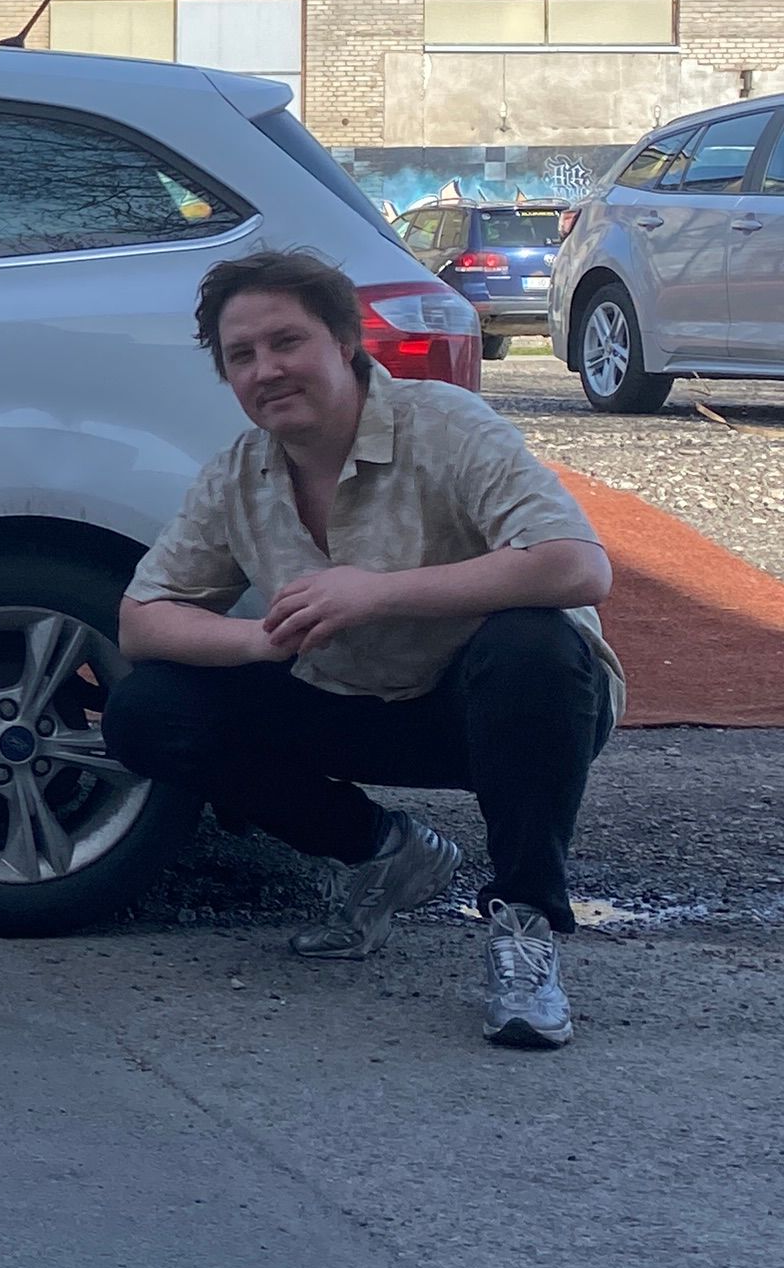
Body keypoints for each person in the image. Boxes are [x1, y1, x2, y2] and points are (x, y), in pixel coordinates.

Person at [103, 247, 619, 1050]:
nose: (266, 370)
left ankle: (525, 925)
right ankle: (388, 853)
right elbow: (142, 620)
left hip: (499, 712)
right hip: (353, 699)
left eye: (287, 342)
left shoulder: (445, 424)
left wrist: (374, 592)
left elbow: (579, 567)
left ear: (344, 341)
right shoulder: (236, 473)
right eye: (242, 356)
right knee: (147, 709)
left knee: (534, 645)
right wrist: (258, 640)